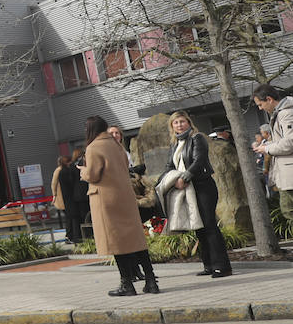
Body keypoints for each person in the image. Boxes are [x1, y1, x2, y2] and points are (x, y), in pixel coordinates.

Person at [78, 115, 160, 296]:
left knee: (116, 242)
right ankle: (151, 280)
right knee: (136, 240)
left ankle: (127, 284)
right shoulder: (117, 145)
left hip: (106, 200)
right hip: (126, 197)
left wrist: (83, 171)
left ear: (90, 129)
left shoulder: (93, 148)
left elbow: (93, 175)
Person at [156, 110, 232, 278]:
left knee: (209, 225)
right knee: (199, 227)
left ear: (189, 123)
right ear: (172, 126)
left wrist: (185, 177)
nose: (179, 125)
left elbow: (199, 160)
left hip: (202, 186)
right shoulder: (175, 144)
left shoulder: (197, 138)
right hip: (185, 189)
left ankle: (222, 266)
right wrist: (171, 180)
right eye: (176, 123)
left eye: (182, 121)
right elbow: (169, 166)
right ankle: (209, 265)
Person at [253, 84, 293, 214]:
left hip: (290, 172)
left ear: (269, 99)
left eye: (260, 104)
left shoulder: (287, 113)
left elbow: (289, 142)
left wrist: (267, 148)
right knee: (287, 210)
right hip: (286, 173)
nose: (260, 108)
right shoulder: (281, 113)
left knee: (288, 210)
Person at [51, 153, 84, 243]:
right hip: (63, 198)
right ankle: (70, 235)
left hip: (64, 197)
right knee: (70, 217)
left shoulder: (63, 170)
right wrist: (54, 195)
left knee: (69, 217)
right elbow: (54, 183)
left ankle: (69, 235)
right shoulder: (61, 171)